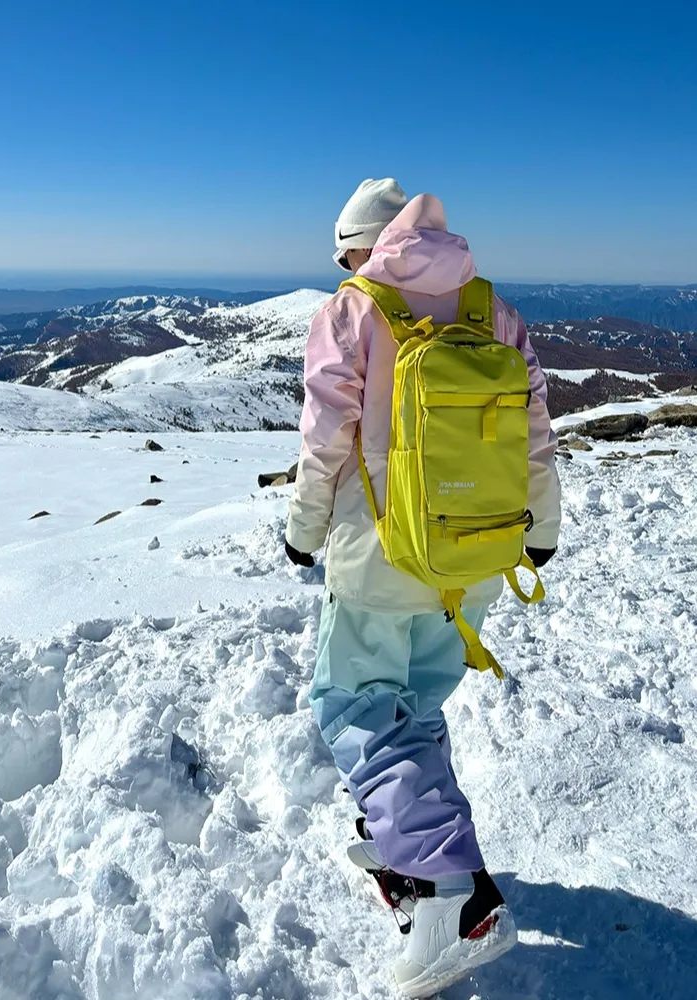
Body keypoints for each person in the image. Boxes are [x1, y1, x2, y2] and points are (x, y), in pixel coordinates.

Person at [285, 178, 561, 996]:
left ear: (366, 245)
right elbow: (534, 431)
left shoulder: (352, 311)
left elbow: (324, 437)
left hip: (379, 555)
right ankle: (413, 835)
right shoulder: (489, 309)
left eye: (344, 254)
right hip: (474, 553)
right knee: (411, 703)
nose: (344, 268)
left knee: (357, 708)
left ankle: (444, 898)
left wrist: (302, 532)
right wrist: (538, 529)